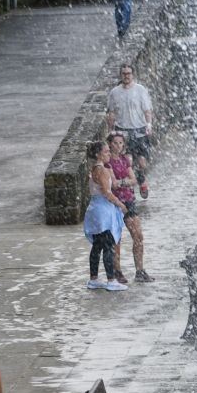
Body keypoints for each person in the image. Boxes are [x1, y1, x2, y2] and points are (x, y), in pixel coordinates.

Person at [105, 133, 153, 283]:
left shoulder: (125, 160)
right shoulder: (107, 163)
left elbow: (133, 180)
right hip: (114, 203)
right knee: (116, 240)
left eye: (121, 143)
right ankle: (117, 271)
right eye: (115, 143)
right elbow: (113, 184)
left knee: (138, 236)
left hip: (129, 201)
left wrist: (124, 182)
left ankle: (140, 270)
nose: (118, 146)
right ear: (110, 144)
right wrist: (126, 181)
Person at [82, 142, 129, 292]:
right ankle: (111, 280)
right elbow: (107, 192)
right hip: (102, 210)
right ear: (98, 154)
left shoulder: (95, 169)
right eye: (106, 151)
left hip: (95, 208)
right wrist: (121, 204)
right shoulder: (102, 170)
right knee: (108, 245)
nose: (109, 153)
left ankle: (94, 279)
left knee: (97, 246)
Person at [105, 64, 156, 199]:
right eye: (124, 74)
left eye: (128, 73)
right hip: (123, 132)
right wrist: (110, 131)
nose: (126, 76)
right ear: (121, 75)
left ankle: (142, 179)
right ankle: (129, 188)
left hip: (139, 130)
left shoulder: (140, 90)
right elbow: (111, 113)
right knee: (128, 161)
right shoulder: (114, 92)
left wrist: (149, 124)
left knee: (142, 162)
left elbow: (147, 110)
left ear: (132, 75)